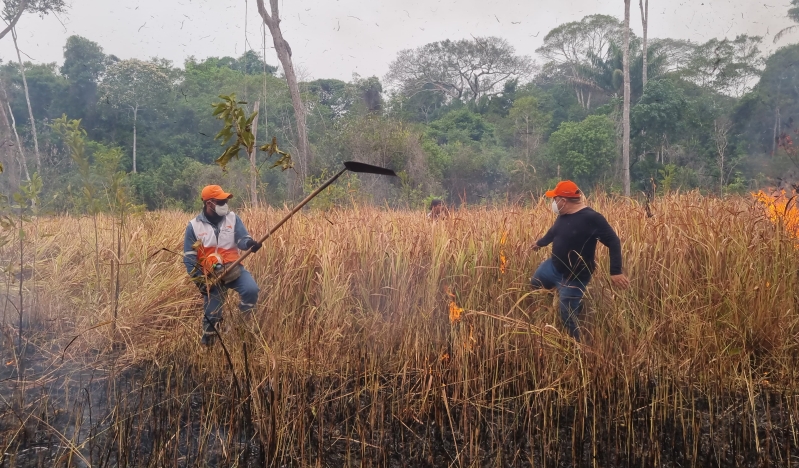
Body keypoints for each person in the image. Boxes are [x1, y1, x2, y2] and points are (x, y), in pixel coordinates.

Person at [530, 180, 630, 340]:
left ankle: (577, 348)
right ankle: (567, 299)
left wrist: (616, 271)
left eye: (554, 199)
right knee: (535, 282)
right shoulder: (563, 215)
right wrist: (540, 243)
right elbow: (553, 232)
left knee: (567, 317)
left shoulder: (592, 218)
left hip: (574, 276)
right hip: (553, 267)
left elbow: (613, 241)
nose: (553, 203)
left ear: (563, 200)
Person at [183, 185, 262, 346]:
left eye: (225, 200)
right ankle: (208, 346)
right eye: (221, 201)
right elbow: (189, 258)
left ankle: (243, 326)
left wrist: (250, 244)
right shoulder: (194, 226)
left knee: (251, 290)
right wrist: (199, 281)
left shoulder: (233, 218)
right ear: (209, 203)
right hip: (211, 276)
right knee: (212, 315)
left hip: (234, 269)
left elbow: (242, 239)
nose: (225, 204)